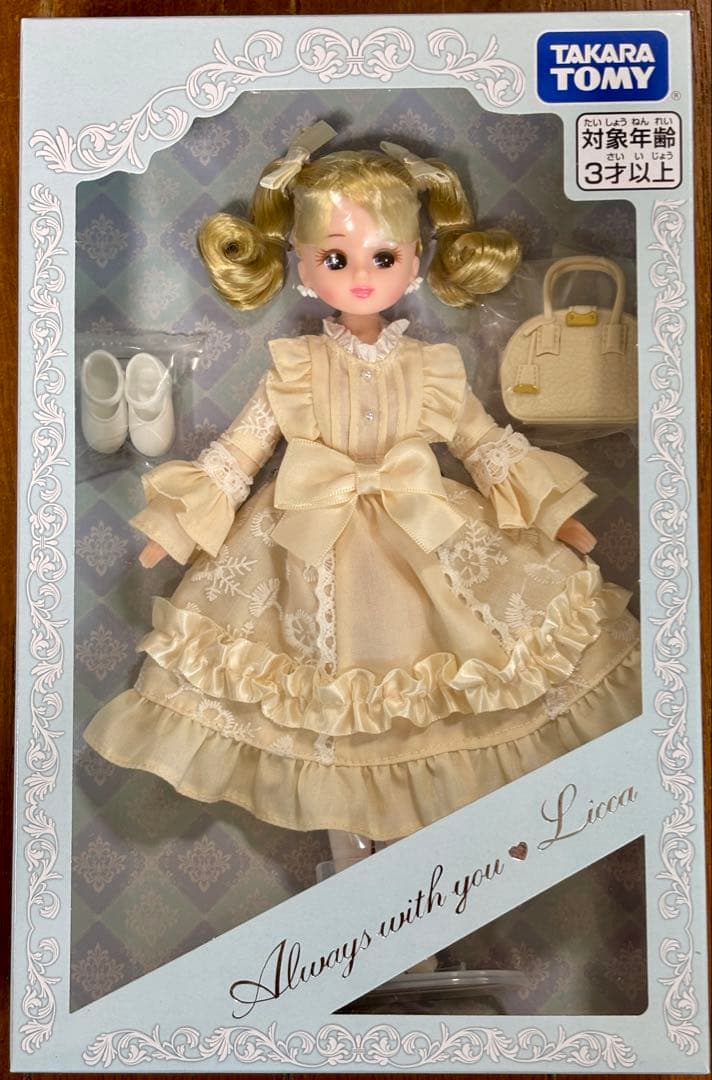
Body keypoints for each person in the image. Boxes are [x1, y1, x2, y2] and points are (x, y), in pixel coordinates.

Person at [85, 123, 641, 870]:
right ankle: (355, 876)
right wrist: (176, 530)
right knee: (324, 718)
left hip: (429, 536)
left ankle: (439, 875)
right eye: (335, 259)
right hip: (304, 547)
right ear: (302, 266)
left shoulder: (432, 366)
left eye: (381, 257)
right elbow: (242, 450)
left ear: (415, 260)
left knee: (459, 696)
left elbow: (484, 444)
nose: (359, 276)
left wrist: (557, 519)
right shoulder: (295, 365)